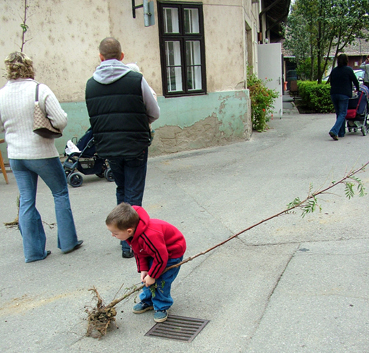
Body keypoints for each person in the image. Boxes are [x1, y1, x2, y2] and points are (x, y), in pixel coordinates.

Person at [0, 52, 83, 263]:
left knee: (27, 200)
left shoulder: (2, 94)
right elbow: (61, 120)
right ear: (30, 67)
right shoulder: (40, 89)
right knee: (60, 192)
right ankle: (67, 243)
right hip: (41, 152)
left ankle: (33, 252)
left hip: (16, 156)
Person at [85, 37, 160, 259]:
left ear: (100, 57)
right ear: (122, 56)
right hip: (136, 144)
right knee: (134, 194)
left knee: (122, 189)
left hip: (109, 147)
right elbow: (154, 112)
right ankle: (132, 244)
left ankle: (124, 238)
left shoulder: (91, 84)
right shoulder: (136, 79)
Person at [106, 202, 186, 323]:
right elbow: (139, 252)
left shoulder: (149, 235)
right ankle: (148, 301)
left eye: (115, 233)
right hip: (154, 252)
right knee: (147, 279)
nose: (112, 235)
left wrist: (153, 275)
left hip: (170, 254)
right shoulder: (132, 235)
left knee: (161, 281)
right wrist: (144, 270)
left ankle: (162, 306)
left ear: (129, 231)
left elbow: (161, 258)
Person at [329, 53, 360, 141]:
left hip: (334, 94)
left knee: (339, 113)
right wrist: (357, 89)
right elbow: (355, 81)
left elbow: (331, 82)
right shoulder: (348, 70)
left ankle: (341, 132)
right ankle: (334, 131)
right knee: (343, 113)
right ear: (346, 61)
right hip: (344, 94)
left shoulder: (334, 70)